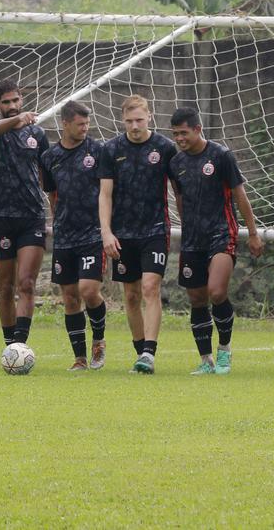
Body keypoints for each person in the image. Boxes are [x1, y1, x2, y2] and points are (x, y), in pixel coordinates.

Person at [167, 107, 263, 375]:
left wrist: (253, 233)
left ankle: (224, 351)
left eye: (184, 133)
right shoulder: (176, 164)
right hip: (192, 238)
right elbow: (179, 197)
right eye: (175, 134)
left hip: (222, 232)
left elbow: (240, 195)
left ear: (198, 129)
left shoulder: (221, 156)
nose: (180, 139)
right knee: (197, 299)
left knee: (217, 292)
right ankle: (206, 360)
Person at [99, 95, 175, 374]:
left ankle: (149, 354)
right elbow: (105, 195)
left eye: (139, 120)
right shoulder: (111, 149)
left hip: (155, 229)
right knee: (130, 296)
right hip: (122, 234)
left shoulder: (165, 148)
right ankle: (140, 350)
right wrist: (106, 232)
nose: (134, 125)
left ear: (150, 117)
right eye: (129, 121)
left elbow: (179, 188)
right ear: (122, 120)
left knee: (149, 288)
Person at [0, 79, 48, 348]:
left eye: (16, 101)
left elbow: (45, 173)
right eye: (6, 102)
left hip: (32, 215)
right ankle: (9, 345)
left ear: (22, 99)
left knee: (27, 283)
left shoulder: (38, 135)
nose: (12, 106)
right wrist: (18, 119)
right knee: (6, 287)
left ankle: (20, 344)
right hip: (1, 216)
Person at [40, 101, 107, 371]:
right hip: (65, 235)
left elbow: (107, 190)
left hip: (92, 233)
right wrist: (57, 222)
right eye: (80, 124)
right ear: (65, 124)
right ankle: (79, 358)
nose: (85, 128)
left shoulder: (98, 151)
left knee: (88, 290)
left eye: (87, 123)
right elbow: (52, 194)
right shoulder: (49, 157)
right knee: (69, 297)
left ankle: (99, 341)